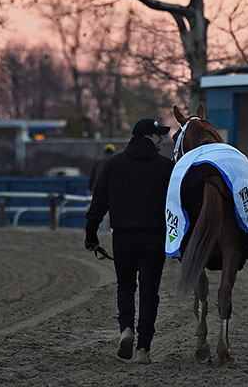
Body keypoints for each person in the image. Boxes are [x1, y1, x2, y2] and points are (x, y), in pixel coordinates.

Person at [85, 117, 173, 365]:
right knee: (149, 292)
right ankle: (143, 349)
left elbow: (98, 203)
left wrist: (91, 236)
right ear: (147, 136)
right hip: (155, 238)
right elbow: (176, 206)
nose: (161, 140)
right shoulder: (166, 167)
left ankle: (126, 329)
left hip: (123, 237)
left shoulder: (114, 165)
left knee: (125, 287)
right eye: (158, 136)